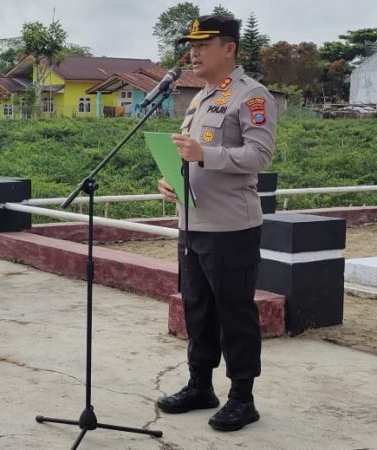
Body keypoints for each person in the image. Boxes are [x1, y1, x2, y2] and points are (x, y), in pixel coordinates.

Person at [155, 15, 277, 432]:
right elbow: (189, 155)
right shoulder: (200, 97)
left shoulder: (252, 97)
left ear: (229, 49)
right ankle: (199, 385)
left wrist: (204, 157)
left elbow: (259, 157)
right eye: (192, 45)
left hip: (231, 227)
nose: (194, 51)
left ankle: (242, 397)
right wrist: (171, 179)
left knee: (233, 312)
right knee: (198, 309)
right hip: (192, 222)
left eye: (203, 44)